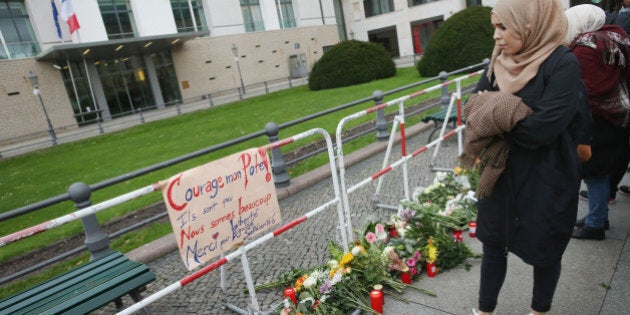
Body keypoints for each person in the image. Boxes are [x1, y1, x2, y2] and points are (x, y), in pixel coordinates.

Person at [467, 1, 586, 314]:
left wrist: (497, 114)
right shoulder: (498, 60)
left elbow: (543, 129)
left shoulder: (562, 62)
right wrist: (510, 113)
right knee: (494, 243)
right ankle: (484, 310)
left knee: (546, 247)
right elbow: (473, 110)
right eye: (495, 27)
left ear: (530, 25)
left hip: (548, 174)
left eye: (504, 27)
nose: (496, 35)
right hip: (501, 172)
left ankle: (539, 310)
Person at [566, 4, 630, 240]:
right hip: (619, 113)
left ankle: (595, 224)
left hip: (597, 118)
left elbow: (585, 90)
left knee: (595, 173)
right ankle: (597, 216)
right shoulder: (616, 36)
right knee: (602, 171)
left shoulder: (586, 47)